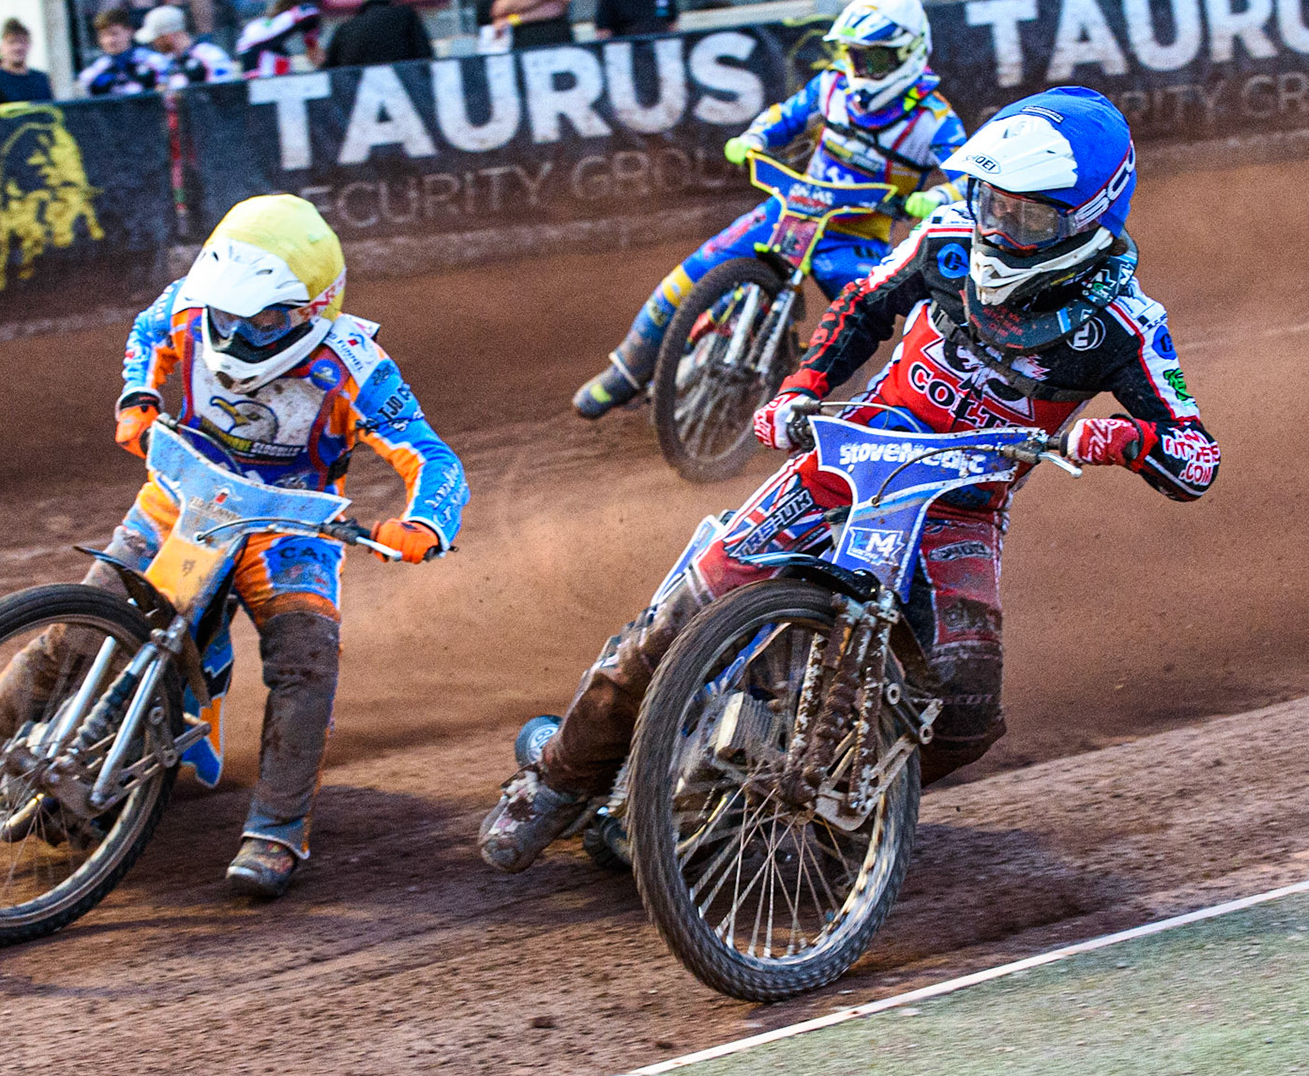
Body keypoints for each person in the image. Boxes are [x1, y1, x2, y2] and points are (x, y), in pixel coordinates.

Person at [480, 86, 1220, 872]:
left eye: (1027, 216)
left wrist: (1124, 441)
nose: (999, 225)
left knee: (965, 712)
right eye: (991, 200)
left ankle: (824, 806)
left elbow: (1195, 454)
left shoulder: (1125, 322)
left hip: (959, 509)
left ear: (1088, 219)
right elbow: (863, 304)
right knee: (674, 622)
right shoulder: (946, 239)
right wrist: (801, 387)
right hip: (852, 455)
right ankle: (556, 782)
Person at [0, 194, 469, 898]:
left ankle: (276, 831)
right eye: (229, 314)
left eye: (264, 319)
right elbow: (150, 332)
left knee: (306, 662)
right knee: (81, 620)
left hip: (289, 526)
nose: (237, 333)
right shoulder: (192, 303)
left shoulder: (355, 364)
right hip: (184, 493)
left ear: (312, 309)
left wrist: (423, 525)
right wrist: (138, 395)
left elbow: (431, 456)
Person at [573, 0, 966, 418]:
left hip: (853, 237)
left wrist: (934, 198)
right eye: (854, 55)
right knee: (686, 277)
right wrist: (754, 137)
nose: (859, 68)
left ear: (908, 52)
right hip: (792, 209)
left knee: (860, 321)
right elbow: (787, 115)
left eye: (872, 58)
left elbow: (966, 181)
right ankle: (627, 372)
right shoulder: (832, 84)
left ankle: (831, 411)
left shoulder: (935, 118)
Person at [137, 3, 239, 89]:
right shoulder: (168, 63)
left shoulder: (209, 55)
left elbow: (225, 93)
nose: (154, 44)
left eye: (156, 39)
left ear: (168, 36)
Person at [324, 0, 434, 67]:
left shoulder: (344, 28)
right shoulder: (406, 14)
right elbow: (425, 54)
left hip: (363, 98)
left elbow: (330, 69)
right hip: (405, 93)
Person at [77, 8, 168, 95]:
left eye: (114, 34)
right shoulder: (96, 71)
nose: (110, 41)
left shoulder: (154, 62)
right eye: (103, 36)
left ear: (129, 31)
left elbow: (165, 92)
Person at [236, 0, 325, 78]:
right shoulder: (275, 23)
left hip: (255, 73)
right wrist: (311, 43)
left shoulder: (266, 29)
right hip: (262, 75)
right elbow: (309, 10)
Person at [0, 19, 55, 102]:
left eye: (22, 41)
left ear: (29, 45)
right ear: (2, 47)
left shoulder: (42, 79)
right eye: (11, 42)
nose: (18, 47)